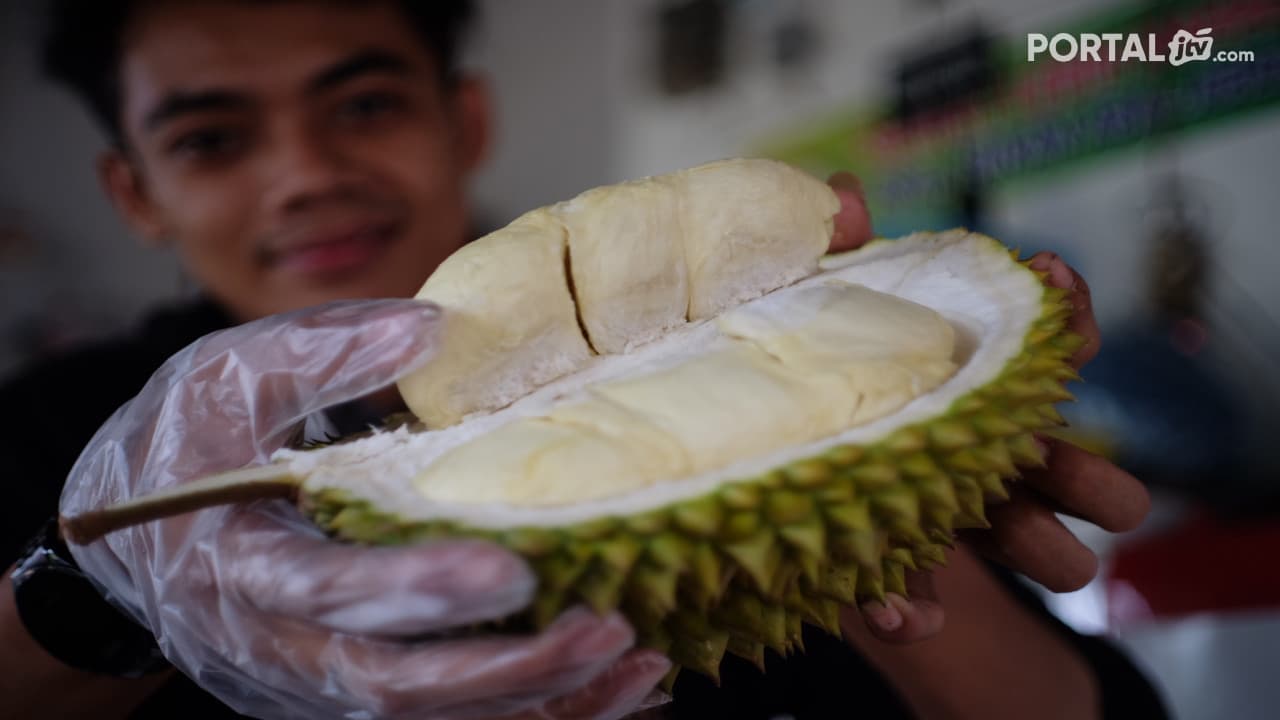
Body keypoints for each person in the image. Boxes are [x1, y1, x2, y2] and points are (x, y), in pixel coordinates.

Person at [0, 1, 1167, 718]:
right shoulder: (47, 430)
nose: (305, 173)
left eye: (361, 105)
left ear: (462, 121)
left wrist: (898, 512)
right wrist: (95, 587)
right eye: (210, 138)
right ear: (132, 192)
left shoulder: (721, 287)